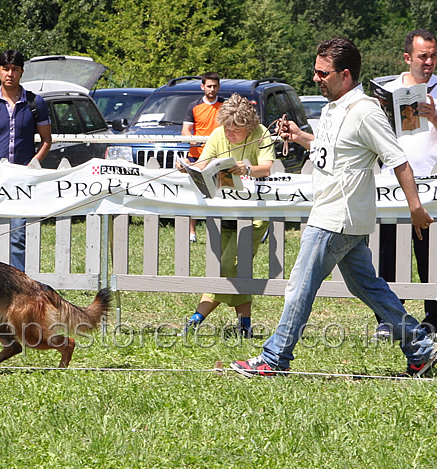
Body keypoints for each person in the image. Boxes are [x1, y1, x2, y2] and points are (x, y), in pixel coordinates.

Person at [230, 38, 437, 378]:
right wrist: (299, 136)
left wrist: (415, 207)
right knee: (367, 287)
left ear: (344, 74)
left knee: (300, 284)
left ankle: (274, 357)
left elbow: (398, 161)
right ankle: (420, 346)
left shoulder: (365, 111)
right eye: (315, 71)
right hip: (337, 215)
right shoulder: (332, 108)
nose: (315, 78)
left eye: (322, 73)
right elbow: (333, 150)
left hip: (337, 217)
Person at [182, 93, 275, 337]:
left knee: (227, 265)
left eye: (235, 130)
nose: (229, 134)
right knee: (236, 269)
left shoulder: (262, 133)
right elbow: (202, 164)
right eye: (227, 129)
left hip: (253, 216)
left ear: (250, 126)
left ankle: (196, 318)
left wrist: (248, 169)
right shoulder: (217, 134)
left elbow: (266, 168)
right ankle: (244, 326)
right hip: (222, 214)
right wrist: (188, 168)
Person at [374, 29, 437, 340]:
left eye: (433, 56)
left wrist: (436, 118)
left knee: (431, 257)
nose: (428, 62)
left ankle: (433, 319)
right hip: (392, 183)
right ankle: (388, 319)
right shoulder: (388, 90)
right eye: (423, 56)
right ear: (407, 57)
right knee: (389, 255)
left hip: (431, 186)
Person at [0, 49, 52, 271]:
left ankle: (20, 284)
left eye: (15, 69)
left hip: (21, 180)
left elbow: (46, 140)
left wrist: (34, 163)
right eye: (6, 69)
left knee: (17, 235)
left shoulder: (35, 103)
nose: (10, 74)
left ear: (21, 72)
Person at [182, 72, 223, 243]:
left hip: (217, 157)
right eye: (209, 86)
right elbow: (185, 130)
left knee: (218, 195)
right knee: (195, 194)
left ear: (218, 87)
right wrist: (194, 140)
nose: (212, 89)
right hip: (197, 157)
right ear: (202, 87)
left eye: (214, 86)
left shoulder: (224, 105)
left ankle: (217, 231)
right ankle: (192, 232)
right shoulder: (194, 106)